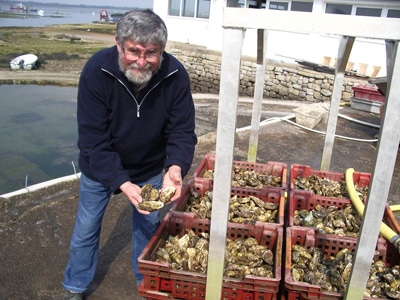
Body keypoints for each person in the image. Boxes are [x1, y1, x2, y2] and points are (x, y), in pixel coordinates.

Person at [62, 9, 197, 300]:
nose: (141, 61)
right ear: (118, 44)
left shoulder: (175, 75)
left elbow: (182, 131)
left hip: (150, 166)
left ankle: (145, 283)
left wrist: (175, 167)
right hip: (99, 168)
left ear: (162, 50)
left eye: (151, 53)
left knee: (148, 231)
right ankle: (76, 286)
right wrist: (121, 182)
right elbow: (93, 140)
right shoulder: (96, 71)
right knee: (86, 229)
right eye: (133, 51)